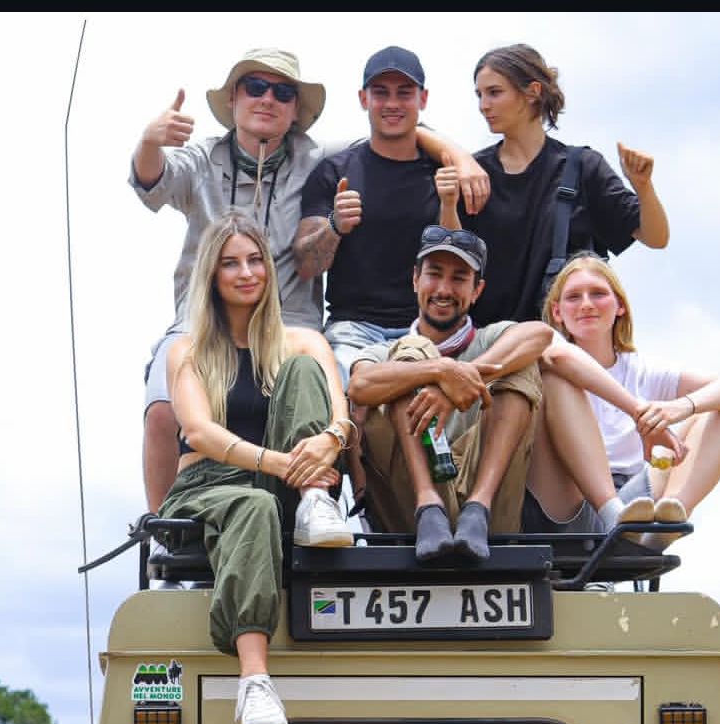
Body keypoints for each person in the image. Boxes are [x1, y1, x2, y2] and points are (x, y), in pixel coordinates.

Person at [133, 48, 487, 514]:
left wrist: (459, 157)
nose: (268, 99)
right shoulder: (202, 157)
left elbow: (393, 128)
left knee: (332, 396)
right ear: (233, 99)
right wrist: (150, 140)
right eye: (255, 87)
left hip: (291, 324)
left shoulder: (318, 156)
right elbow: (152, 180)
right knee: (163, 407)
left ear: (296, 109)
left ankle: (323, 509)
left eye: (283, 92)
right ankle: (164, 534)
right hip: (203, 322)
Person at [159, 210, 355, 724]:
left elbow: (341, 417)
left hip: (286, 486)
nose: (246, 273)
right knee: (255, 505)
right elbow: (199, 432)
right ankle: (254, 679)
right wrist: (278, 462)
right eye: (230, 263)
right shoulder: (188, 349)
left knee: (301, 370)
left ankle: (315, 502)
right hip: (208, 488)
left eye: (254, 260)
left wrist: (330, 441)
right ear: (211, 274)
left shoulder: (304, 342)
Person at [346, 225, 553, 563]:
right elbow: (359, 386)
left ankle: (477, 508)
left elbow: (540, 334)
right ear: (415, 280)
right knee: (409, 354)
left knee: (521, 364)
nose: (444, 289)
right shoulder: (382, 350)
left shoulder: (491, 339)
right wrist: (439, 371)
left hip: (489, 514)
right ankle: (428, 502)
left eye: (459, 278)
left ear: (477, 290)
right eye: (434, 274)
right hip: (410, 516)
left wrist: (467, 375)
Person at [294, 47, 489, 389]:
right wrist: (335, 225)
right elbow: (306, 266)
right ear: (363, 99)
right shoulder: (335, 171)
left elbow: (459, 263)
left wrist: (448, 204)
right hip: (353, 332)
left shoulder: (448, 172)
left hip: (429, 328)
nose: (392, 103)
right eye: (381, 92)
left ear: (423, 99)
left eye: (404, 93)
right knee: (345, 398)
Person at [533, 252, 720, 549]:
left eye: (597, 294)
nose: (586, 304)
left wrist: (677, 408)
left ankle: (669, 517)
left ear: (620, 305)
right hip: (573, 500)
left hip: (634, 500)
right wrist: (638, 411)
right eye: (574, 297)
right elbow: (560, 357)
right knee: (556, 381)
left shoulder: (641, 369)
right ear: (557, 312)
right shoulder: (548, 343)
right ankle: (615, 519)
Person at [465, 43, 670, 328]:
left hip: (563, 343)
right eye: (479, 95)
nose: (483, 105)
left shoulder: (582, 167)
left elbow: (656, 238)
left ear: (532, 91)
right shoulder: (473, 172)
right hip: (487, 342)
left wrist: (643, 186)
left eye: (494, 92)